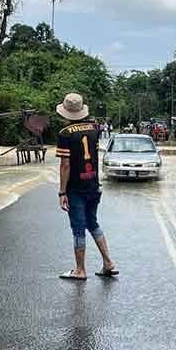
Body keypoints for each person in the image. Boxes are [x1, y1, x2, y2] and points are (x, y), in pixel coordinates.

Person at [56, 93, 118, 281]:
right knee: (92, 223)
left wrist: (62, 192)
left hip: (76, 189)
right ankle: (108, 262)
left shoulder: (65, 134)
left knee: (78, 228)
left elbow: (65, 165)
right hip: (92, 185)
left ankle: (80, 270)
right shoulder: (94, 128)